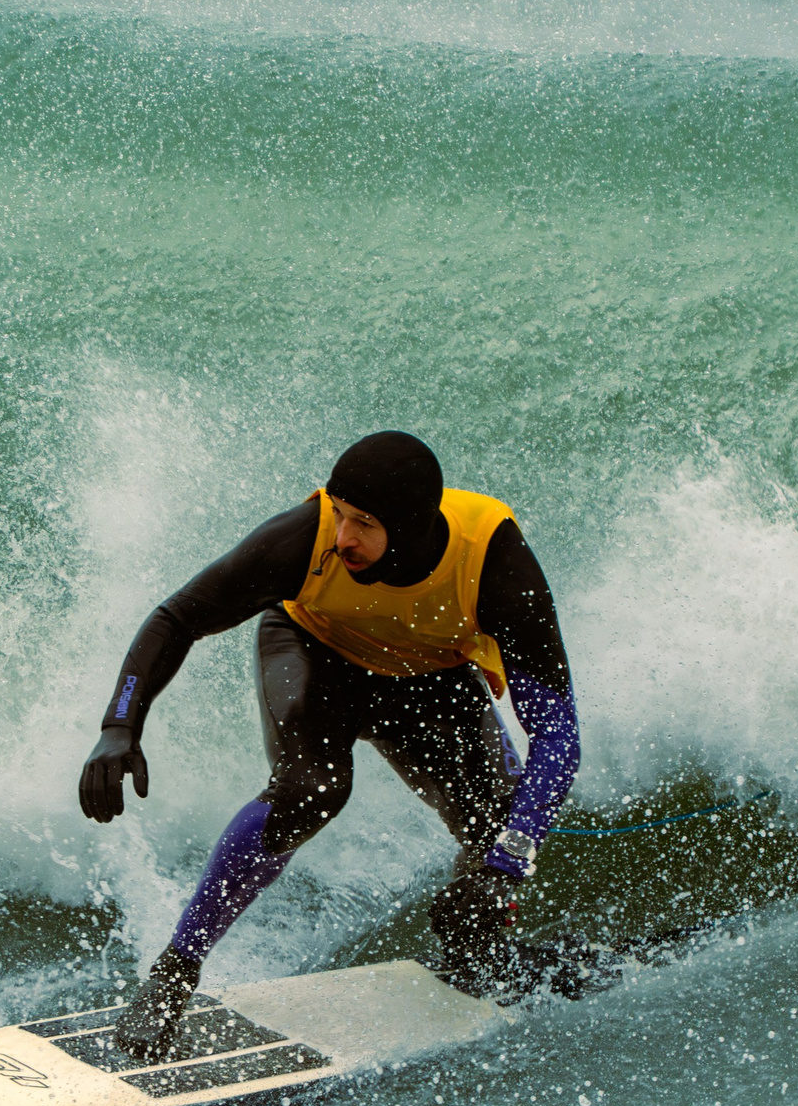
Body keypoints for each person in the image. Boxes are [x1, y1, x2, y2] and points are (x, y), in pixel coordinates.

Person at [78, 430, 582, 1059]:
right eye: (339, 513)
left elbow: (558, 732)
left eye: (363, 523)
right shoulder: (304, 538)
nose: (342, 536)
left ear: (412, 525)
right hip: (314, 657)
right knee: (310, 791)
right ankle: (173, 975)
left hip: (428, 683)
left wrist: (508, 862)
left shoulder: (494, 560)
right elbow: (177, 617)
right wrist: (119, 726)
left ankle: (475, 949)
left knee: (500, 827)